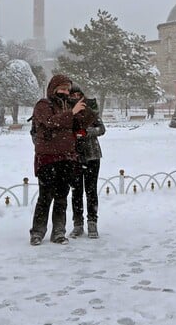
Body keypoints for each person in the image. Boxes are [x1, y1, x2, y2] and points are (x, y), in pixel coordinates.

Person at [29, 75, 95, 246]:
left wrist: (83, 106)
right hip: (48, 158)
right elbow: (50, 122)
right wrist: (70, 113)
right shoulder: (43, 105)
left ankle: (58, 231)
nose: (65, 92)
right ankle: (37, 232)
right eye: (62, 89)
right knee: (45, 197)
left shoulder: (68, 106)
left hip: (66, 157)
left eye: (68, 89)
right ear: (54, 89)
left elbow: (83, 123)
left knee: (61, 197)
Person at [69, 85, 105, 239]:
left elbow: (101, 129)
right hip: (75, 156)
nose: (76, 97)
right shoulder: (67, 112)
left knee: (91, 191)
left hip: (92, 155)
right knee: (76, 191)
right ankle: (78, 224)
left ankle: (92, 222)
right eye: (73, 94)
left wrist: (88, 132)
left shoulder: (90, 110)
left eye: (78, 94)